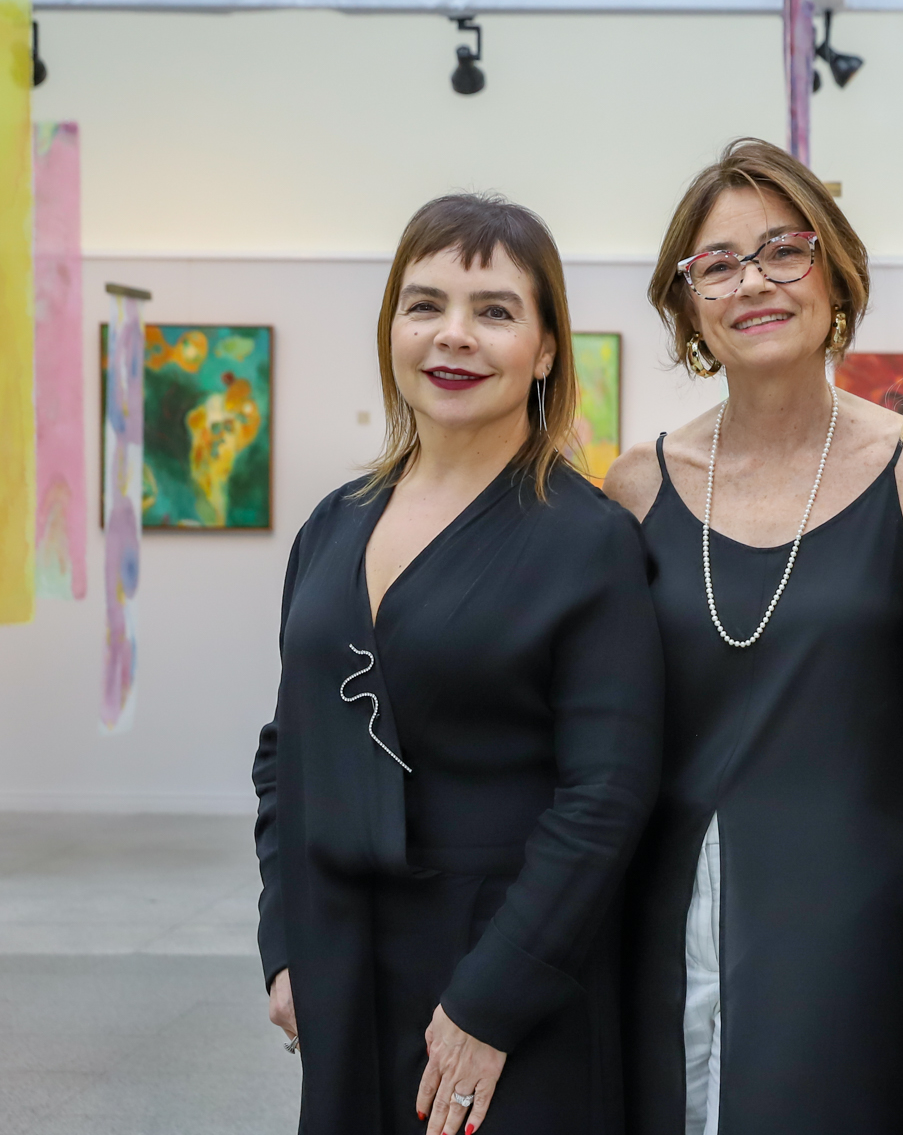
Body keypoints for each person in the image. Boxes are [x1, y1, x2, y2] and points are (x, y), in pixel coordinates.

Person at [253, 194, 665, 1135]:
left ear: (547, 348)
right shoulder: (334, 523)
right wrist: (285, 943)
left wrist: (492, 1003)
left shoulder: (586, 538)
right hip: (345, 962)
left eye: (494, 310)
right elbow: (288, 751)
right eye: (425, 303)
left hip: (509, 974)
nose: (454, 337)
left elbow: (606, 793)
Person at [605, 138, 903, 1135]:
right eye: (716, 264)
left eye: (782, 250)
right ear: (686, 305)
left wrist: (849, 765)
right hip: (662, 908)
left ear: (835, 271)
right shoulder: (637, 486)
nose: (751, 282)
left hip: (853, 909)